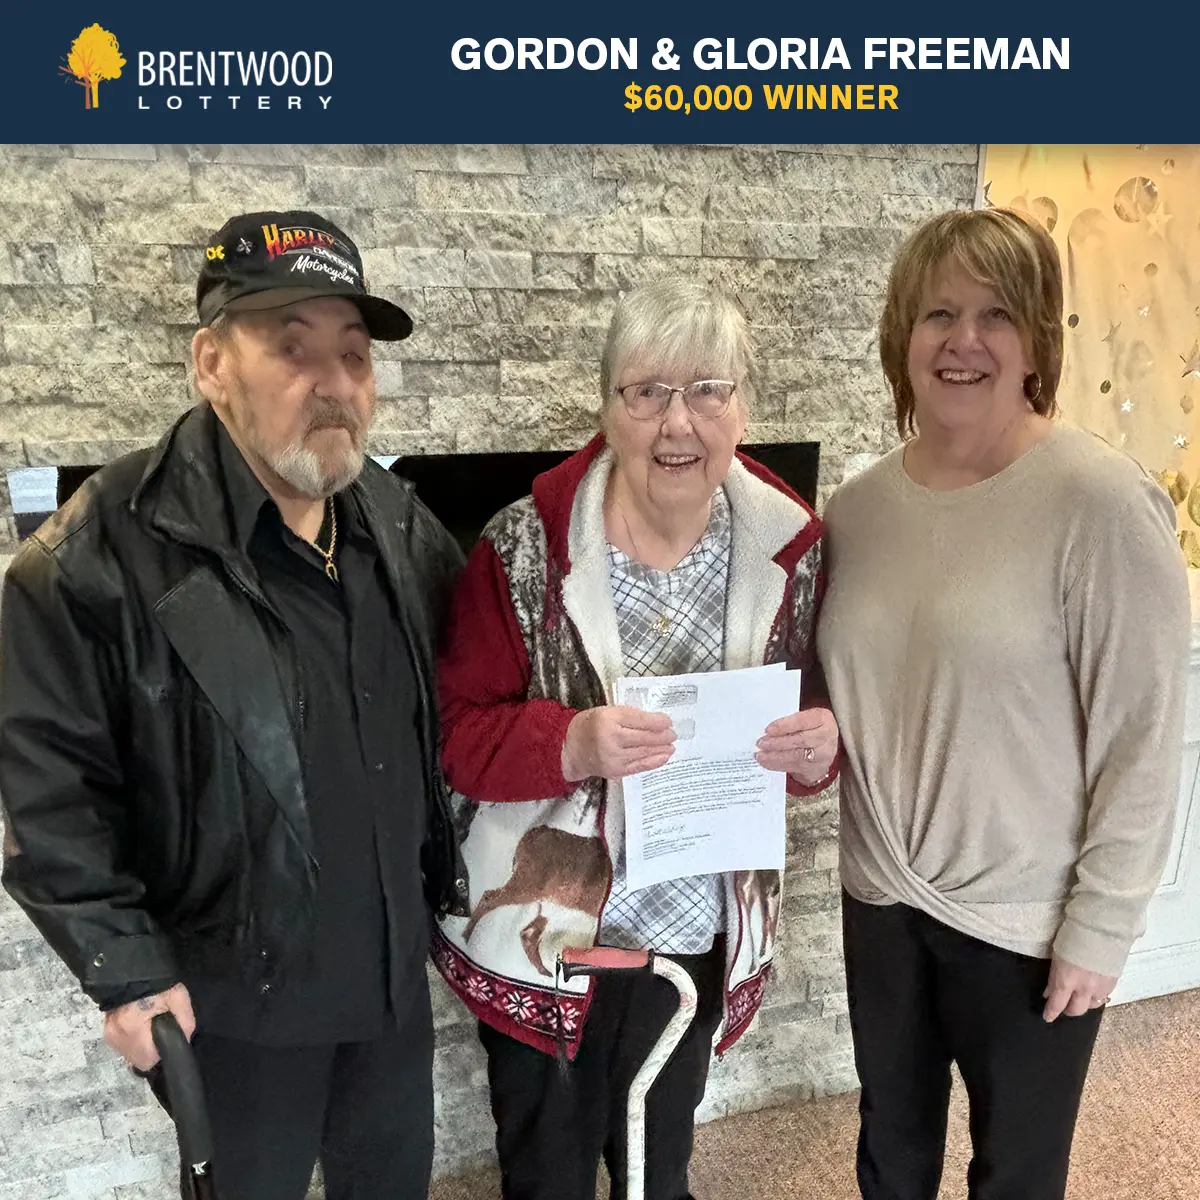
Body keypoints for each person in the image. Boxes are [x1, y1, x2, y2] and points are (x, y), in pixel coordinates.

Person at [0, 210, 467, 1200]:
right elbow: (48, 789)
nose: (334, 382)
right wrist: (126, 970)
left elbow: (463, 702)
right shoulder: (94, 557)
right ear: (211, 364)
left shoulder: (397, 525)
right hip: (234, 1008)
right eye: (293, 349)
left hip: (391, 986)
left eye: (353, 353)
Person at [433, 278, 841, 1200]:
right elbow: (457, 736)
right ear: (608, 407)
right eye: (648, 391)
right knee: (547, 1172)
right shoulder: (522, 547)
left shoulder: (792, 548)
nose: (677, 423)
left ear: (743, 407)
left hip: (693, 926)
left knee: (660, 1166)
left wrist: (821, 749)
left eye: (708, 390)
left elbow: (811, 715)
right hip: (546, 938)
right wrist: (572, 743)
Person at [816, 207, 1192, 1200]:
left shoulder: (1102, 505)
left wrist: (1102, 927)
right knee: (889, 1153)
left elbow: (1144, 739)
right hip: (881, 896)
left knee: (1016, 1176)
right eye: (938, 313)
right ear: (903, 333)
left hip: (1026, 917)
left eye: (996, 314)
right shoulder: (856, 510)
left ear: (1037, 339)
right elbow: (854, 692)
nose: (964, 340)